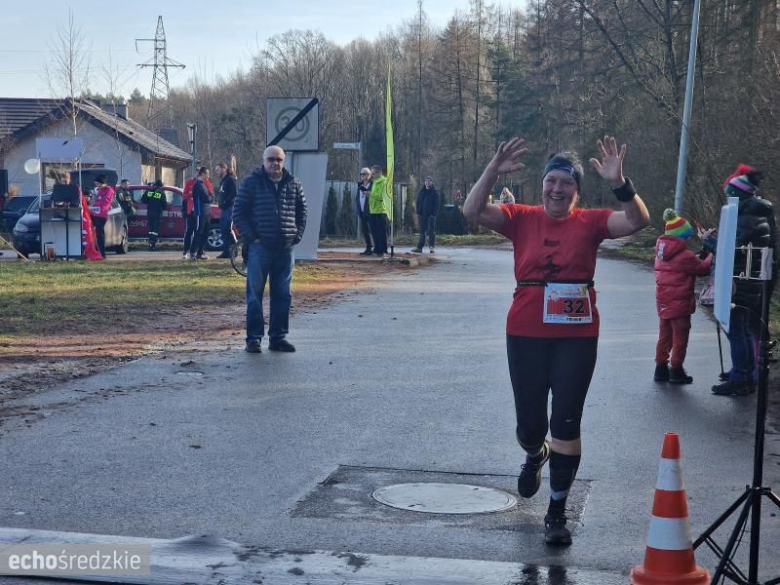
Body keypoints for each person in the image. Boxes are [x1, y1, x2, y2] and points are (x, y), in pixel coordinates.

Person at [463, 135, 649, 546]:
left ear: (577, 192)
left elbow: (637, 221)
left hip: (577, 336)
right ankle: (534, 453)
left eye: (566, 183)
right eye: (552, 181)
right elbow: (471, 210)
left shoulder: (593, 222)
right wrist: (492, 169)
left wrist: (621, 183)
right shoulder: (521, 216)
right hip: (525, 332)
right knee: (531, 425)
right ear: (543, 185)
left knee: (567, 419)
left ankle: (557, 510)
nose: (557, 189)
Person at [233, 146, 307, 354]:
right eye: (271, 159)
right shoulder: (251, 182)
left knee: (283, 294)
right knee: (255, 294)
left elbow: (303, 212)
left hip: (285, 248)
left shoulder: (293, 183)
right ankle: (253, 339)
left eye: (279, 160)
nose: (275, 163)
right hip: (260, 248)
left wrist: (296, 235)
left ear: (284, 161)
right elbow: (238, 213)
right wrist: (253, 238)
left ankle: (278, 337)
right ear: (263, 161)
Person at [711, 166, 776, 396]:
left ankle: (741, 376)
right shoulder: (757, 213)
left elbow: (733, 249)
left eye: (730, 191)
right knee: (744, 329)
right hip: (749, 280)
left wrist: (710, 243)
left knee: (736, 330)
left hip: (741, 281)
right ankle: (744, 373)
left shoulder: (748, 216)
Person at [653, 209, 713, 384]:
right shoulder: (685, 256)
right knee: (680, 336)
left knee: (664, 335)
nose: (688, 240)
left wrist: (698, 257)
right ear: (681, 237)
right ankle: (676, 369)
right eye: (687, 236)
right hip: (679, 304)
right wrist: (710, 255)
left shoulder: (660, 254)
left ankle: (660, 368)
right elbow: (702, 269)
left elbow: (682, 265)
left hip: (664, 302)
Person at [182, 167, 213, 259]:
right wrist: (191, 195)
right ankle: (189, 251)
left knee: (204, 231)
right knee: (193, 231)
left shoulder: (206, 183)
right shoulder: (194, 184)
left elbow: (210, 193)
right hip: (196, 211)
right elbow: (206, 198)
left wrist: (211, 196)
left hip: (206, 211)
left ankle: (200, 251)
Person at [215, 163, 237, 259]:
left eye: (218, 170)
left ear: (224, 169)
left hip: (229, 207)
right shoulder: (223, 181)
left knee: (226, 228)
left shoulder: (230, 179)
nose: (217, 172)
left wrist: (225, 201)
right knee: (224, 229)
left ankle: (234, 248)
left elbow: (234, 193)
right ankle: (227, 251)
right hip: (224, 208)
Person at [412, 176, 439, 254]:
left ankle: (431, 247)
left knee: (431, 231)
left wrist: (433, 214)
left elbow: (436, 204)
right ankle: (419, 247)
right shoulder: (422, 191)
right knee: (422, 231)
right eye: (426, 181)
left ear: (432, 182)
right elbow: (418, 202)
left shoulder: (434, 192)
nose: (427, 182)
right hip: (422, 215)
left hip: (430, 216)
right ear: (425, 182)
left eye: (429, 181)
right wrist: (418, 212)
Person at [91, 175, 115, 259]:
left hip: (101, 214)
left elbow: (105, 201)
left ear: (102, 183)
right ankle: (94, 250)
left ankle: (102, 253)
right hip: (95, 213)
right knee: (95, 232)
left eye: (97, 183)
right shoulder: (99, 190)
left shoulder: (109, 190)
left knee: (99, 233)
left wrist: (94, 205)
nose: (96, 185)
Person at [369, 165, 389, 257]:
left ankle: (383, 249)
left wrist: (370, 194)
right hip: (373, 210)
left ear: (379, 172)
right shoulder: (375, 182)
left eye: (373, 173)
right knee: (374, 231)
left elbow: (381, 196)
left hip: (381, 210)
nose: (372, 175)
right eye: (371, 173)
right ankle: (377, 249)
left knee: (381, 231)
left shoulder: (384, 182)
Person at [142, 179, 166, 250]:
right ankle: (152, 245)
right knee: (155, 230)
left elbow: (143, 200)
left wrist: (150, 203)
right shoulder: (161, 193)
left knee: (151, 229)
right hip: (158, 213)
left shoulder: (149, 191)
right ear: (160, 186)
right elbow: (164, 204)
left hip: (150, 212)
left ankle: (150, 244)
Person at [357, 168, 373, 255]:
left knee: (373, 230)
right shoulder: (360, 185)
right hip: (362, 212)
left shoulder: (373, 185)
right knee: (365, 231)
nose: (362, 176)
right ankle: (368, 248)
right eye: (361, 174)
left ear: (369, 175)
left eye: (364, 174)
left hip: (371, 211)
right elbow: (358, 197)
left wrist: (368, 193)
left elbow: (375, 196)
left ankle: (376, 248)